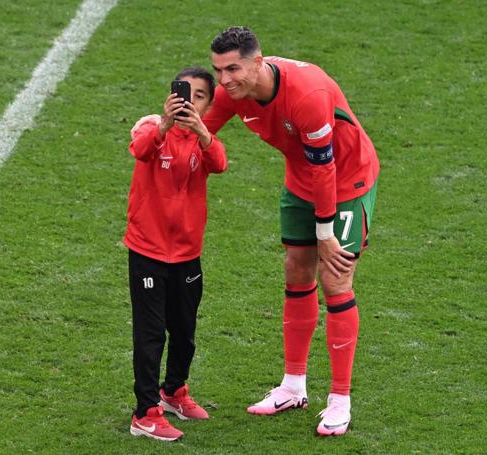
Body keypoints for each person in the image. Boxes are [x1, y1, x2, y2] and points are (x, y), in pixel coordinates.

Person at [203, 26, 380, 436]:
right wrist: (161, 130)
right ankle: (293, 386)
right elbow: (202, 131)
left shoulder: (307, 95)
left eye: (233, 69)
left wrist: (325, 231)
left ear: (259, 61)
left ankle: (340, 399)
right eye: (218, 71)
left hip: (347, 181)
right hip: (302, 181)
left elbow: (326, 166)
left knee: (335, 277)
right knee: (296, 271)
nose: (225, 81)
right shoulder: (233, 93)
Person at [124, 67, 227, 442]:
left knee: (184, 330)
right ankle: (145, 412)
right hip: (148, 251)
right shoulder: (151, 125)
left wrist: (201, 131)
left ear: (209, 104)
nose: (191, 100)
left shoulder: (204, 139)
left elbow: (220, 163)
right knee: (151, 334)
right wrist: (165, 123)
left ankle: (174, 392)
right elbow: (140, 149)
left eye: (200, 95)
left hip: (186, 253)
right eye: (187, 93)